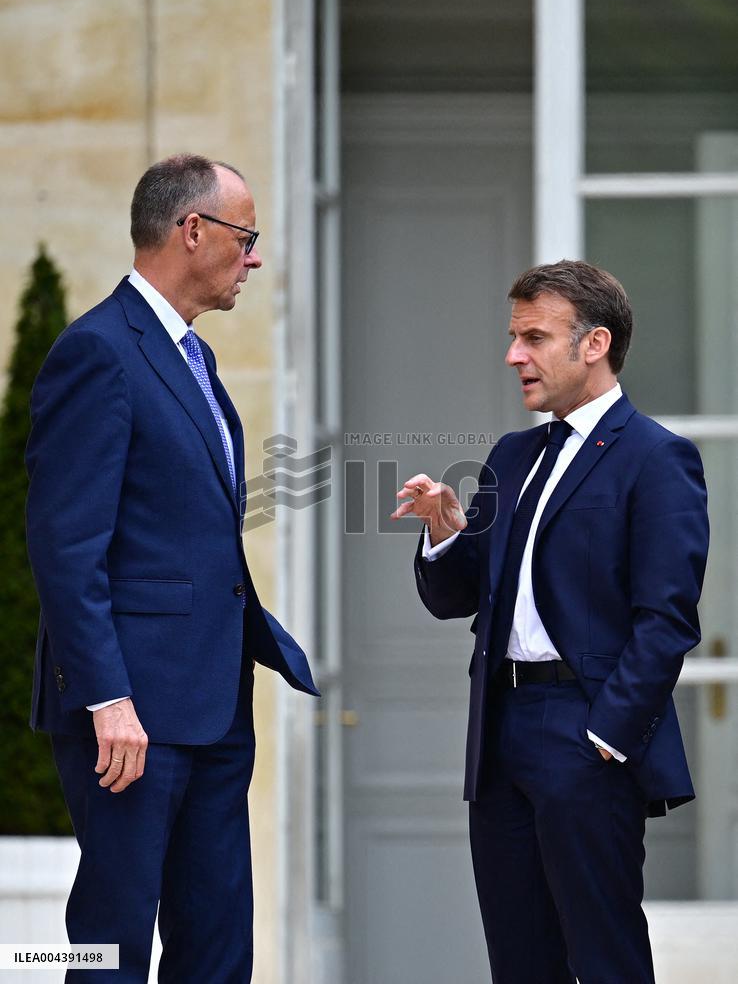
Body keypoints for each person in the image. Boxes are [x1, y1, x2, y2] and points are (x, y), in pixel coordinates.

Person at [25, 153, 318, 982]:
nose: (254, 258)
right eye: (246, 236)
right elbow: (64, 546)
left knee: (219, 946)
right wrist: (107, 699)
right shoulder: (98, 352)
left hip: (214, 706)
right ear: (193, 231)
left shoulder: (195, 358)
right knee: (109, 949)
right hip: (131, 719)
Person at [393, 260, 709, 984]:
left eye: (534, 338)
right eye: (514, 337)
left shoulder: (658, 459)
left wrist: (604, 737)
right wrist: (443, 529)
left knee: (606, 961)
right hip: (501, 734)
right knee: (519, 962)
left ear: (594, 344)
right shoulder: (513, 455)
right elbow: (457, 597)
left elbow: (665, 621)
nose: (514, 356)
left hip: (587, 735)